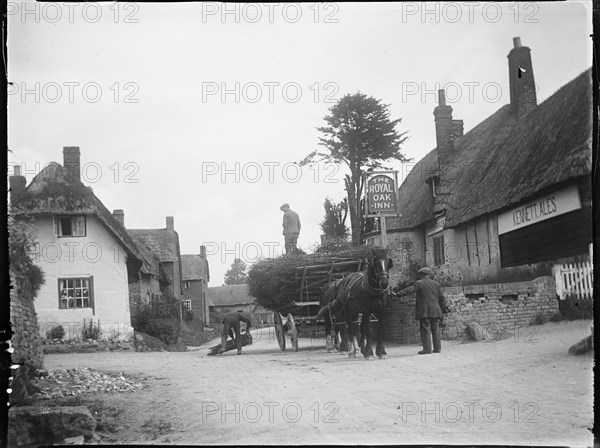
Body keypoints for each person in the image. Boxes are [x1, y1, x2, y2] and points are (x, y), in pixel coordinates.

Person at [395, 267, 445, 355]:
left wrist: (397, 294)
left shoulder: (419, 283)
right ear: (429, 275)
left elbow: (409, 290)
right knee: (436, 329)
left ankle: (427, 349)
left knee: (426, 329)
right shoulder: (436, 284)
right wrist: (442, 309)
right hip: (436, 310)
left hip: (425, 310)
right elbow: (442, 298)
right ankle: (437, 349)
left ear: (422, 275)